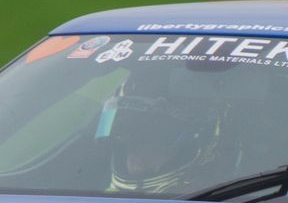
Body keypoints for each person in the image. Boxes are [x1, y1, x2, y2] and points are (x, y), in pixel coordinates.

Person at [98, 69, 235, 195]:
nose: (134, 160)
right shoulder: (93, 191)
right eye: (129, 139)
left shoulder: (231, 198)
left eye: (150, 142)